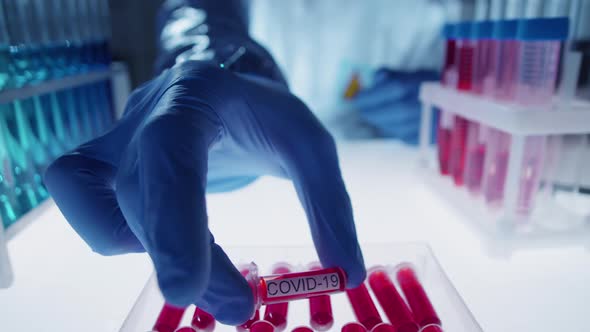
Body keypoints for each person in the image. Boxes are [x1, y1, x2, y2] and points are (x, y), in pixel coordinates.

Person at [44, 0, 447, 325]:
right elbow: (197, 11)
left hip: (390, 178)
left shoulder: (426, 11)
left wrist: (442, 109)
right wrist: (212, 63)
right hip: (226, 166)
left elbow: (478, 82)